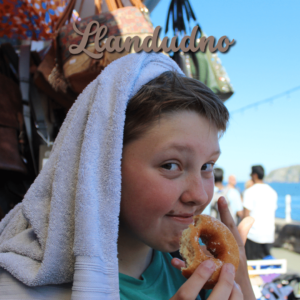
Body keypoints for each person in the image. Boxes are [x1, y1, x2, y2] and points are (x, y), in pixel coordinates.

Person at [0, 52, 255, 300]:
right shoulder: (19, 289)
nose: (200, 195)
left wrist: (240, 278)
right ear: (103, 165)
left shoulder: (204, 276)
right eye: (170, 165)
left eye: (207, 166)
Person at [243, 165, 278, 260]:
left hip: (253, 236)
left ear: (254, 175)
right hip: (269, 235)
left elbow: (245, 217)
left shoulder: (249, 191)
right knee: (266, 269)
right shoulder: (273, 192)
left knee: (251, 267)